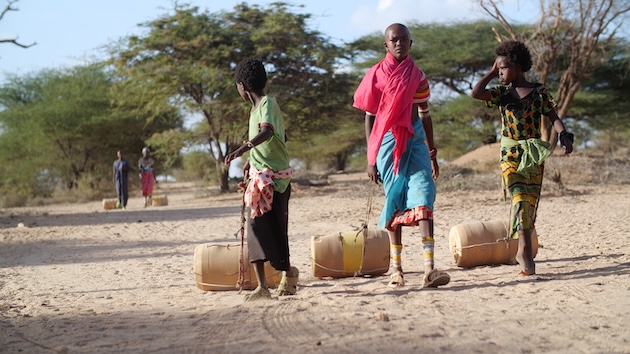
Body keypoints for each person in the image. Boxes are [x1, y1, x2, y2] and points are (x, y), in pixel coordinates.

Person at [353, 23, 450, 288]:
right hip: (387, 143)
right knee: (395, 199)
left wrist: (432, 153)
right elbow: (370, 119)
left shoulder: (417, 76)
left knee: (424, 193)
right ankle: (397, 270)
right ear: (386, 45)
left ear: (411, 43)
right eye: (394, 40)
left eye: (404, 40)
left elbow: (424, 114)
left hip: (416, 141)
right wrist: (371, 158)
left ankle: (429, 268)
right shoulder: (375, 76)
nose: (399, 44)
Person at [471, 40, 574, 276]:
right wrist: (491, 70)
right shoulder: (500, 94)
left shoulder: (539, 93)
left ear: (517, 66)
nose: (500, 74)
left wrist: (564, 135)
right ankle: (526, 252)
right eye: (497, 70)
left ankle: (522, 248)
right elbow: (476, 93)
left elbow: (553, 116)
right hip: (510, 154)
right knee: (518, 198)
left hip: (533, 154)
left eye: (503, 69)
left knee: (529, 204)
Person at [225, 58, 298, 300]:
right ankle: (262, 287)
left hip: (277, 180)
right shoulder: (253, 111)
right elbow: (279, 136)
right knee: (255, 226)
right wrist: (251, 160)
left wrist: (242, 149)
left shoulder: (268, 104)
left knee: (277, 227)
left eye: (237, 86)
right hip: (259, 177)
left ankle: (288, 274)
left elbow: (268, 132)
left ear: (243, 86)